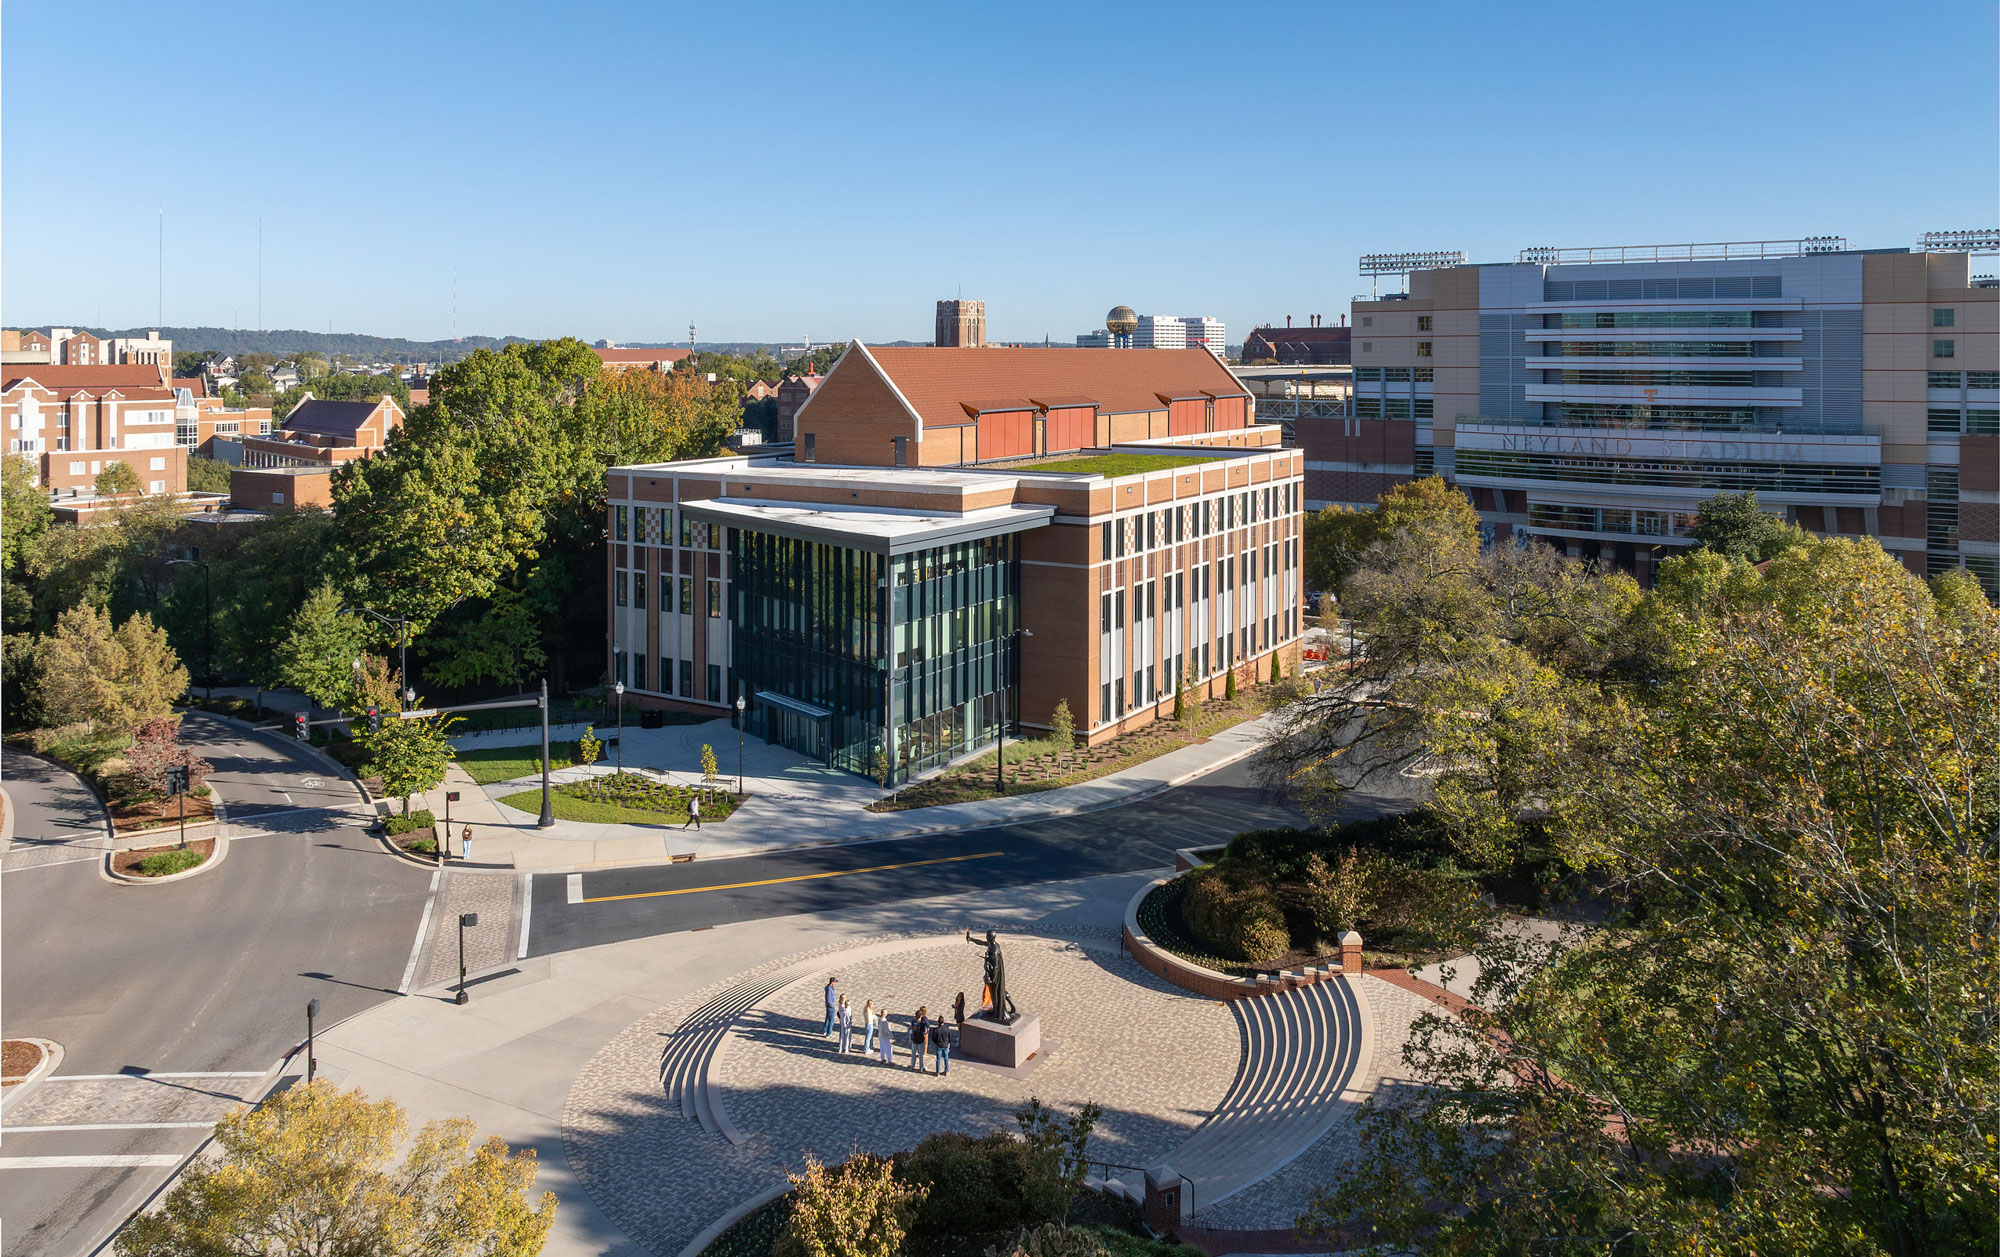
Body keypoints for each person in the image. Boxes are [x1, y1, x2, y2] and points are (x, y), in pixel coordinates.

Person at [933, 1011, 955, 1076]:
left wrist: (936, 1042)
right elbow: (949, 1036)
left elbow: (933, 1038)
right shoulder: (946, 1029)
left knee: (938, 1059)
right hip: (945, 1045)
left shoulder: (936, 1030)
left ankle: (937, 1072)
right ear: (943, 1022)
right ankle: (946, 1071)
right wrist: (948, 1042)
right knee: (946, 1058)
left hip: (939, 1045)